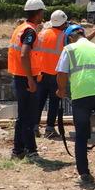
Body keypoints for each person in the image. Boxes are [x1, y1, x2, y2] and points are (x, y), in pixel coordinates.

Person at [55, 24, 95, 185]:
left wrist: (61, 90)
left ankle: (84, 174)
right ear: (83, 33)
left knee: (82, 134)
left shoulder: (69, 49)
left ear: (69, 37)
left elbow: (61, 73)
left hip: (81, 95)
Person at [7, 0, 47, 160]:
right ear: (38, 13)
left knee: (25, 115)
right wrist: (31, 79)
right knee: (27, 116)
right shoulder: (30, 31)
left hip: (20, 75)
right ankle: (25, 150)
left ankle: (22, 150)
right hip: (25, 78)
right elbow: (24, 54)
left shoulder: (20, 28)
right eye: (42, 12)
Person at [34, 10, 68, 140]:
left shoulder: (41, 34)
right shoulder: (63, 36)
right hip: (55, 75)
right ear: (62, 23)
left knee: (39, 102)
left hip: (40, 74)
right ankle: (49, 129)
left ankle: (34, 127)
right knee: (54, 102)